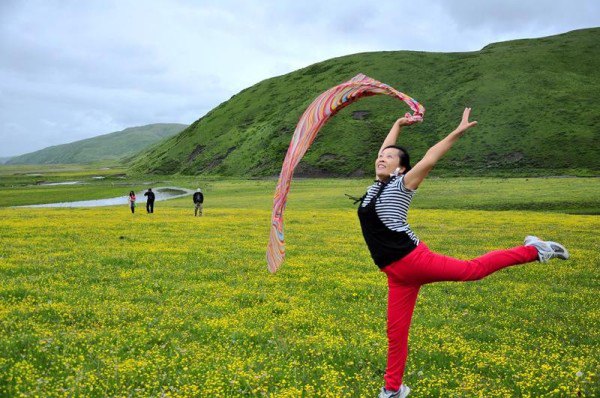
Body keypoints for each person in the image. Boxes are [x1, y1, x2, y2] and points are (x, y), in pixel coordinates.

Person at [357, 108, 570, 398]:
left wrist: (457, 132)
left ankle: (535, 249)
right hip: (396, 275)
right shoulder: (374, 188)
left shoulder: (402, 184)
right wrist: (397, 123)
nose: (382, 157)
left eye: (390, 157)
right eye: (380, 156)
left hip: (415, 261)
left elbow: (431, 156)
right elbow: (385, 149)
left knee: (473, 270)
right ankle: (393, 390)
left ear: (401, 168)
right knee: (395, 335)